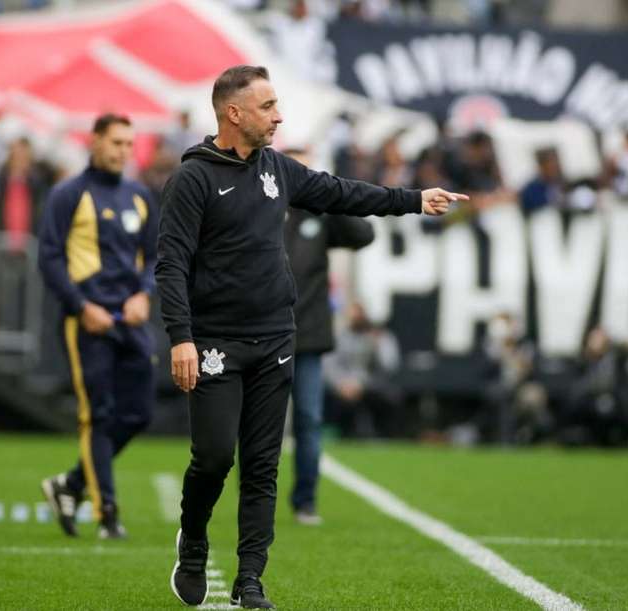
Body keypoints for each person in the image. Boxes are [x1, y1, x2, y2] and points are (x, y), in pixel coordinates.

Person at [155, 64, 464, 609]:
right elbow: (171, 264)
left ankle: (251, 581)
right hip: (214, 344)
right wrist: (181, 337)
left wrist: (413, 200)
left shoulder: (279, 169)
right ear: (234, 113)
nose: (278, 116)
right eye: (268, 106)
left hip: (276, 339)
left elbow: (342, 193)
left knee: (263, 465)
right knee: (213, 457)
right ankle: (195, 539)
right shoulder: (193, 179)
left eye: (277, 105)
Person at [37, 113, 158, 539]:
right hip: (87, 322)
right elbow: (49, 258)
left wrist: (145, 293)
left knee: (140, 413)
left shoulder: (140, 195)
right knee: (98, 416)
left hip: (131, 322)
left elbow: (155, 256)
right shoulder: (67, 194)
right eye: (115, 142)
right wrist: (80, 306)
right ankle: (106, 512)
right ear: (94, 142)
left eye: (129, 143)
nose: (122, 151)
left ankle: (69, 485)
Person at [283, 148, 375, 526]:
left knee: (308, 418)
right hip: (261, 332)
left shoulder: (318, 214)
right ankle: (254, 500)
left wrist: (330, 196)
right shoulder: (263, 209)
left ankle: (305, 500)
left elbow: (362, 233)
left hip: (308, 335)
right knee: (258, 425)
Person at [323, 302, 404, 438]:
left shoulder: (381, 337)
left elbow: (390, 366)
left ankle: (385, 436)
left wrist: (378, 346)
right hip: (344, 388)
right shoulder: (339, 338)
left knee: (392, 399)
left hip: (372, 387)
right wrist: (341, 384)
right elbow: (330, 365)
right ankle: (346, 435)